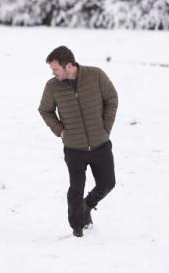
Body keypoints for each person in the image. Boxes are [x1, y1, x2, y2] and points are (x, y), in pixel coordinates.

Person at [38, 46, 118, 238]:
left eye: (56, 69)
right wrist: (60, 131)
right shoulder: (52, 86)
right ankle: (77, 227)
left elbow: (112, 98)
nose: (53, 73)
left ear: (70, 66)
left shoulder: (96, 75)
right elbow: (45, 110)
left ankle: (87, 205)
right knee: (76, 188)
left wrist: (105, 127)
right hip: (74, 148)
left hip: (100, 144)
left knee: (108, 183)